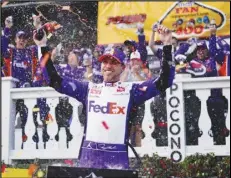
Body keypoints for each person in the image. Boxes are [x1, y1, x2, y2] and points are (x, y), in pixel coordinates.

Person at [34, 25, 175, 169]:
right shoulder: (88, 89)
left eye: (113, 62)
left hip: (117, 165)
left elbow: (165, 81)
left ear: (123, 67)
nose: (108, 66)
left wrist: (168, 46)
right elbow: (53, 80)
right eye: (105, 62)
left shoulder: (132, 91)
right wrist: (42, 46)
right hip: (88, 162)